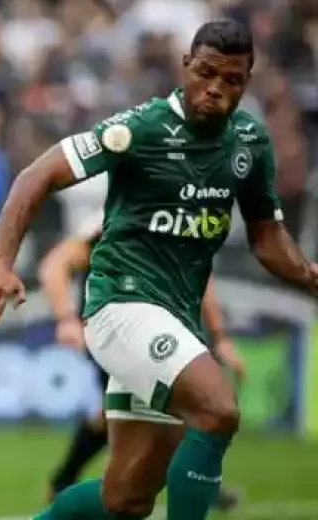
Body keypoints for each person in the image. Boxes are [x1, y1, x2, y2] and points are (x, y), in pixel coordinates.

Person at [0, 19, 318, 520]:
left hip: (177, 319)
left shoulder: (248, 142)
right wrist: (1, 261)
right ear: (186, 67)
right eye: (206, 73)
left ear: (247, 82)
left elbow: (267, 239)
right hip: (122, 306)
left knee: (126, 499)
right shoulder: (140, 128)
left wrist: (308, 274)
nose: (215, 88)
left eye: (232, 81)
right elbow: (38, 173)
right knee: (218, 411)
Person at [40, 211, 244, 511]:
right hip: (120, 331)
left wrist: (221, 336)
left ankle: (65, 482)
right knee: (187, 409)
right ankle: (197, 482)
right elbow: (54, 265)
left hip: (164, 331)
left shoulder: (184, 215)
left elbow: (201, 277)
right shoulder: (113, 216)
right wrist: (67, 319)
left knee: (125, 420)